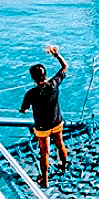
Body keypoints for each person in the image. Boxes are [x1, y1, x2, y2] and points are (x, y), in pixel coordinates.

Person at [20, 45, 69, 187]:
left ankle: (45, 180)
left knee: (44, 152)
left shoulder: (31, 93)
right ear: (45, 75)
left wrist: (23, 110)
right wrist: (57, 55)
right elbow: (65, 67)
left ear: (33, 78)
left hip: (42, 128)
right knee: (60, 144)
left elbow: (24, 108)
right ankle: (64, 165)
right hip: (56, 122)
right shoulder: (54, 84)